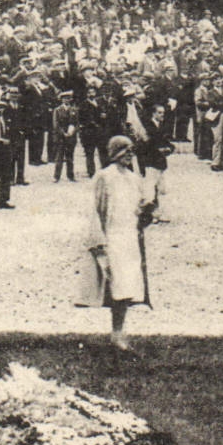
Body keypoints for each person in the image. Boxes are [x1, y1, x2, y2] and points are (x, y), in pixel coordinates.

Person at [76, 135, 152, 353]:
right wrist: (98, 240)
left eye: (132, 151)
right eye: (125, 151)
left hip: (129, 236)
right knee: (116, 284)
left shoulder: (134, 178)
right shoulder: (104, 177)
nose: (130, 155)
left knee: (128, 286)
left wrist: (146, 212)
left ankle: (119, 332)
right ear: (115, 152)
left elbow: (139, 207)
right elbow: (96, 209)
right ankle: (116, 332)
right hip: (112, 236)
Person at [52, 89, 80, 182]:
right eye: (65, 98)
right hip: (61, 137)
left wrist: (73, 131)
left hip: (71, 137)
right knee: (59, 157)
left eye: (68, 98)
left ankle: (70, 175)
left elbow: (77, 123)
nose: (67, 100)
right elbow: (56, 124)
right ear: (61, 100)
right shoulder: (57, 110)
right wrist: (63, 133)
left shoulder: (74, 110)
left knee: (70, 157)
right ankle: (56, 176)